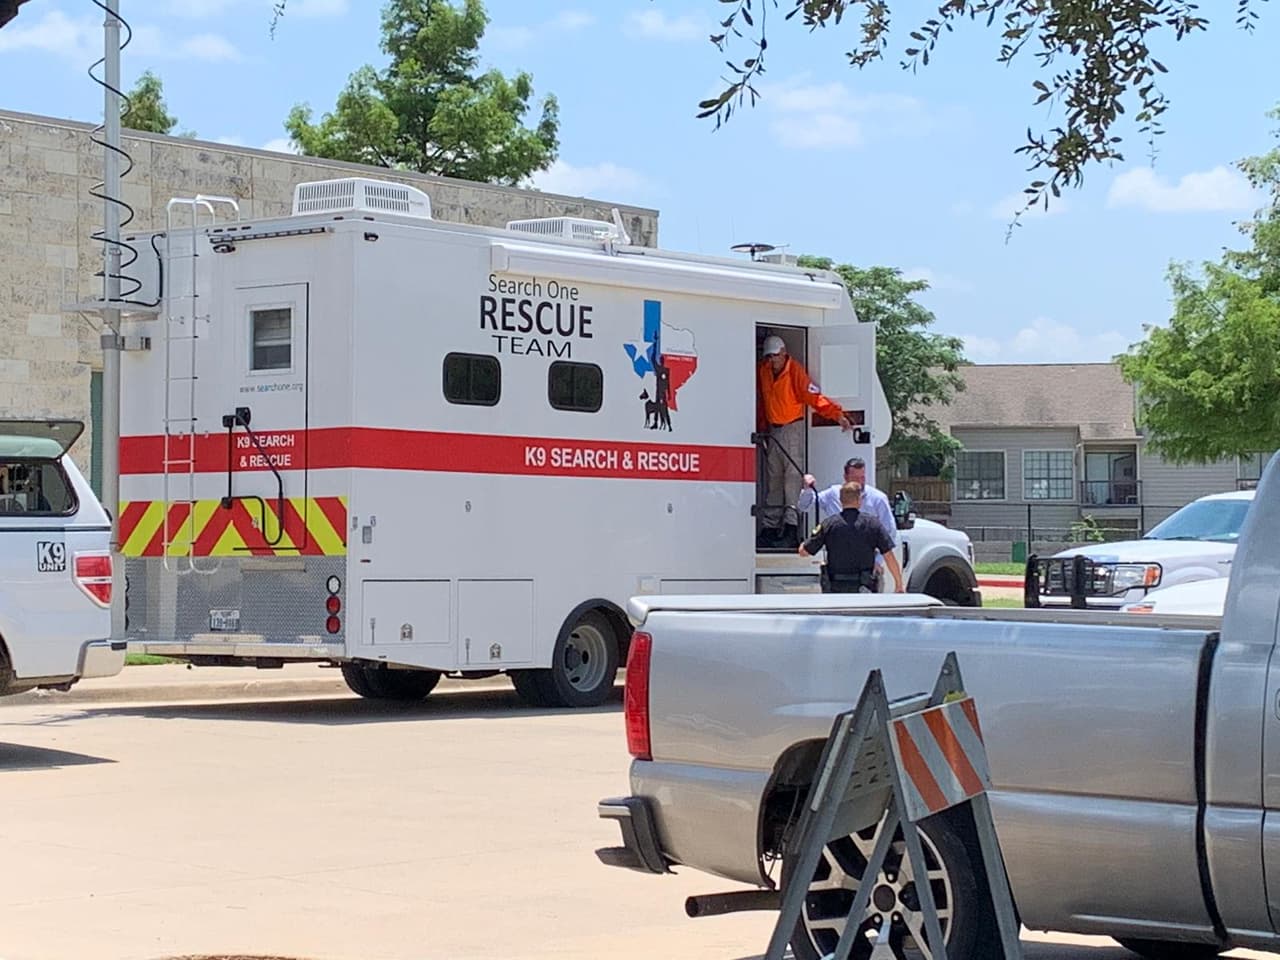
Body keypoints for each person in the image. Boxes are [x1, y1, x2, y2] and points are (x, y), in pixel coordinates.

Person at [757, 334, 852, 548]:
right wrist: (762, 427)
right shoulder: (764, 371)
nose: (771, 360)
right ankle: (770, 527)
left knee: (792, 479)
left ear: (783, 353)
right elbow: (762, 401)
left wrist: (837, 414)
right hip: (774, 430)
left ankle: (791, 529)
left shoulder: (794, 372)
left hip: (792, 428)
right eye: (768, 357)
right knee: (773, 481)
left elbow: (814, 397)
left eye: (774, 356)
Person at [799, 456, 899, 588]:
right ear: (845, 477)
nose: (860, 482)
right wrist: (807, 489)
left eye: (862, 477)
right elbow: (805, 506)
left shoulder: (878, 499)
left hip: (865, 574)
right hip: (838, 575)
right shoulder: (832, 495)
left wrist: (878, 562)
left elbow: (889, 534)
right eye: (855, 478)